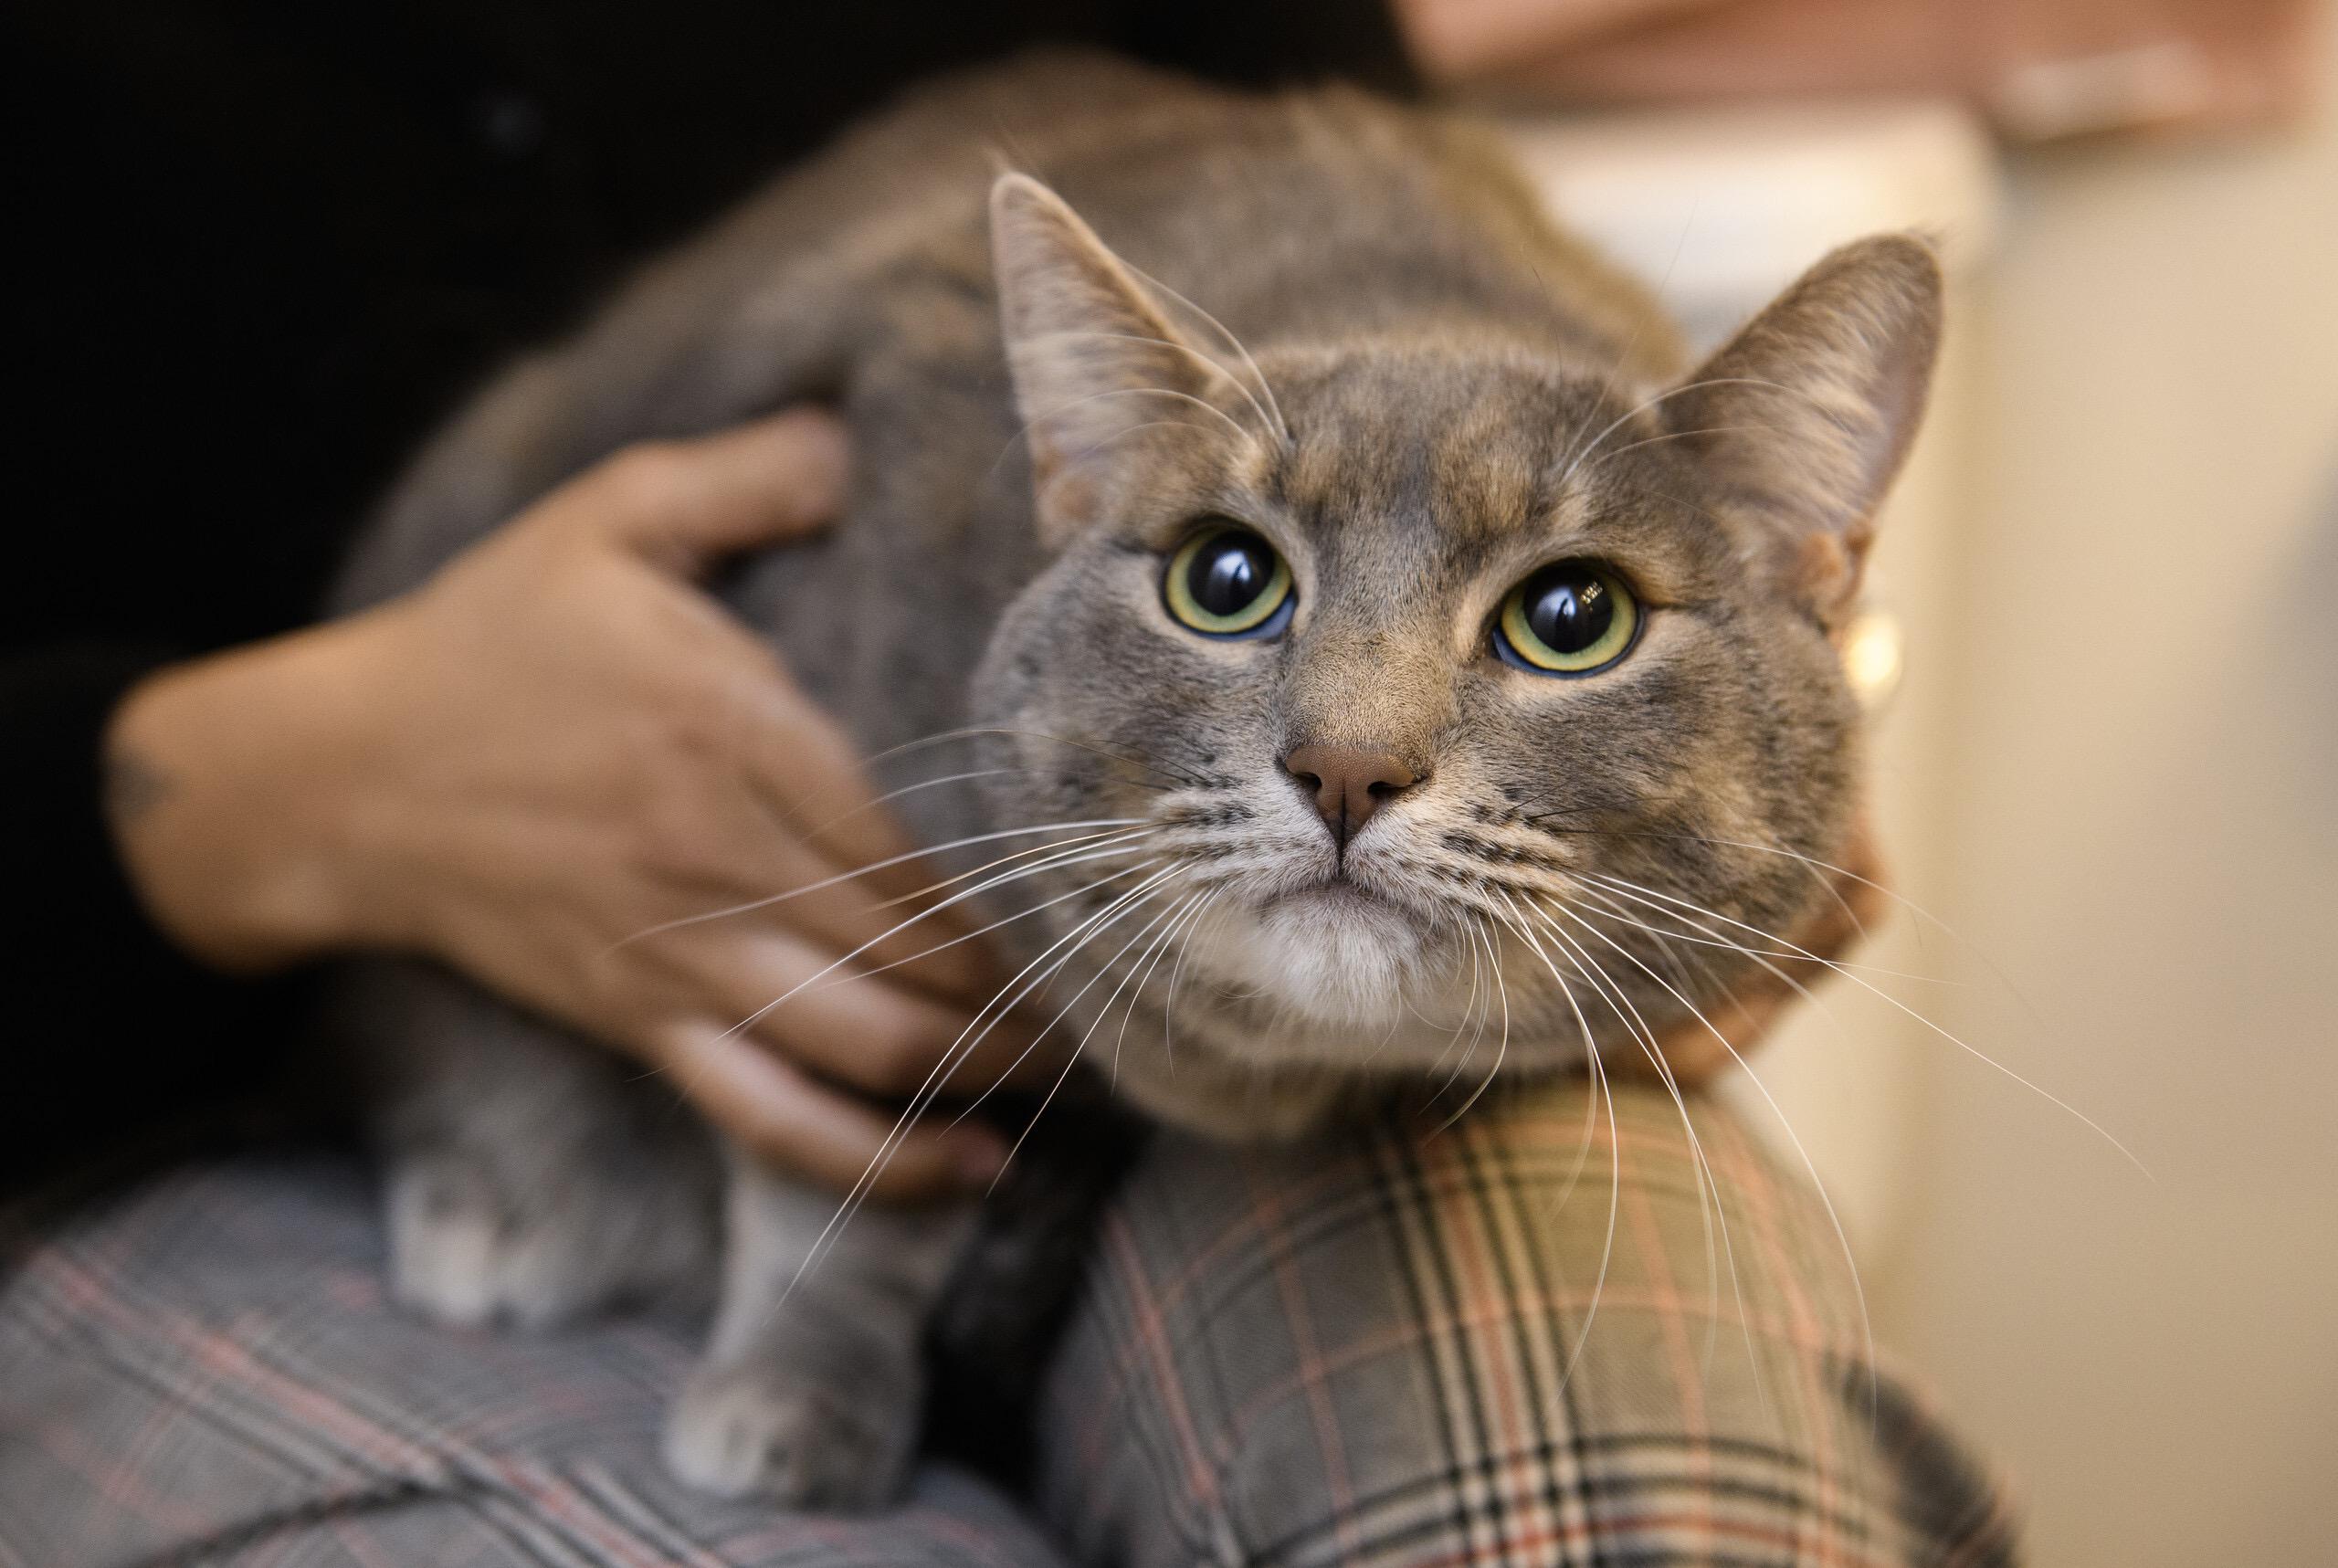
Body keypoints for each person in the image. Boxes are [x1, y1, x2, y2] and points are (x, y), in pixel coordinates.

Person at [0, 4, 2018, 1563]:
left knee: (1624, 1502)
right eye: (1230, 577)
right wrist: (282, 790)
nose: (1357, 750)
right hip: (203, 1075)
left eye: (1565, 612)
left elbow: (1358, 356)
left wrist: (1741, 783)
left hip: (1279, 999)